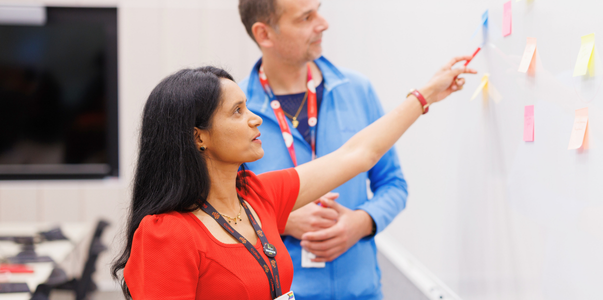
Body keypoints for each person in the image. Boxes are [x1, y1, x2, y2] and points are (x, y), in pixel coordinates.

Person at [111, 57, 475, 299]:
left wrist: (424, 96)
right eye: (237, 112)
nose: (255, 119)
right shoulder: (166, 233)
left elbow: (358, 155)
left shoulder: (257, 197)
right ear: (198, 136)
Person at [236, 0, 412, 298]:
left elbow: (394, 185)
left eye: (318, 9)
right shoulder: (237, 114)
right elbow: (219, 212)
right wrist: (280, 219)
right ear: (264, 34)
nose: (323, 23)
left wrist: (362, 222)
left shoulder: (357, 90)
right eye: (306, 17)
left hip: (361, 290)